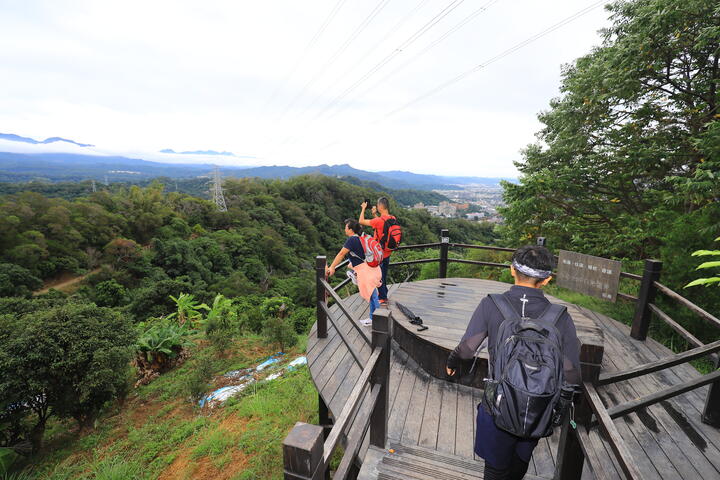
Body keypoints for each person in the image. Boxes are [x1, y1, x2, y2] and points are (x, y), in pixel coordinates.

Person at [445, 245, 581, 480]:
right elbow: (572, 373)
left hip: (498, 404)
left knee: (495, 469)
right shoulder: (560, 317)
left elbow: (467, 349)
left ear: (511, 270)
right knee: (518, 467)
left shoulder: (492, 304)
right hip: (537, 409)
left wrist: (453, 361)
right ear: (547, 280)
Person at [326, 218, 382, 325]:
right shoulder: (362, 237)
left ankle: (377, 319)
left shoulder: (351, 240)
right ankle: (374, 317)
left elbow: (341, 254)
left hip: (366, 271)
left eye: (346, 227)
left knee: (373, 295)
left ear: (351, 230)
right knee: (372, 294)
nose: (344, 229)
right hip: (371, 267)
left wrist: (332, 267)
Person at [359, 197, 394, 305]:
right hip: (388, 251)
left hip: (379, 254)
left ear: (380, 207)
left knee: (379, 276)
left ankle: (383, 297)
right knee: (383, 274)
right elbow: (382, 226)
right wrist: (374, 214)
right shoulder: (392, 218)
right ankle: (384, 293)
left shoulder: (378, 221)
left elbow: (361, 221)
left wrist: (363, 209)